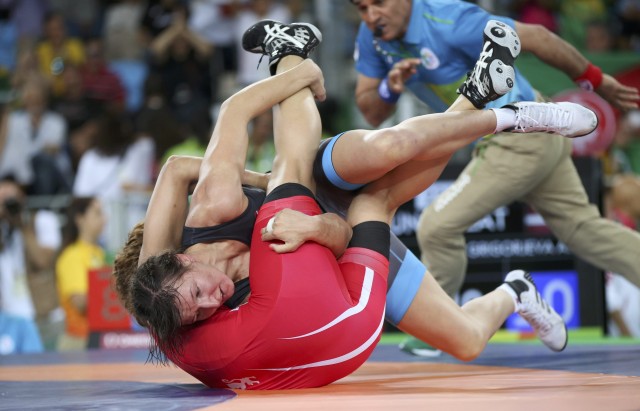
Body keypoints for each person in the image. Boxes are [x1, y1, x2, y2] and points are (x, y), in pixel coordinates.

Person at [119, 20, 595, 389]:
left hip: (302, 179)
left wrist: (264, 180)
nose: (211, 306)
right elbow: (342, 236)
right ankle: (518, 290)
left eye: (197, 296)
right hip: (335, 247)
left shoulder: (204, 215)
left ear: (175, 256)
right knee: (467, 341)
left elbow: (183, 164)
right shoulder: (196, 314)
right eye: (197, 316)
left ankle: (514, 115)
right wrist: (317, 228)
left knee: (371, 154)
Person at [349, 0, 640, 355]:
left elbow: (534, 36)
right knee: (584, 230)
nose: (371, 15)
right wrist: (389, 88)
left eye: (379, 3)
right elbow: (370, 108)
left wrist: (594, 79)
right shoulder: (373, 36)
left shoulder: (449, 19)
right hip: (515, 135)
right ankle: (464, 316)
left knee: (437, 226)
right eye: (362, 8)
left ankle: (438, 330)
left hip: (518, 137)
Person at [55, 196, 107, 351]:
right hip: (79, 342)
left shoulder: (101, 254)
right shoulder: (71, 256)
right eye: (97, 213)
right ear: (80, 219)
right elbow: (79, 303)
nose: (104, 218)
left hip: (102, 339)